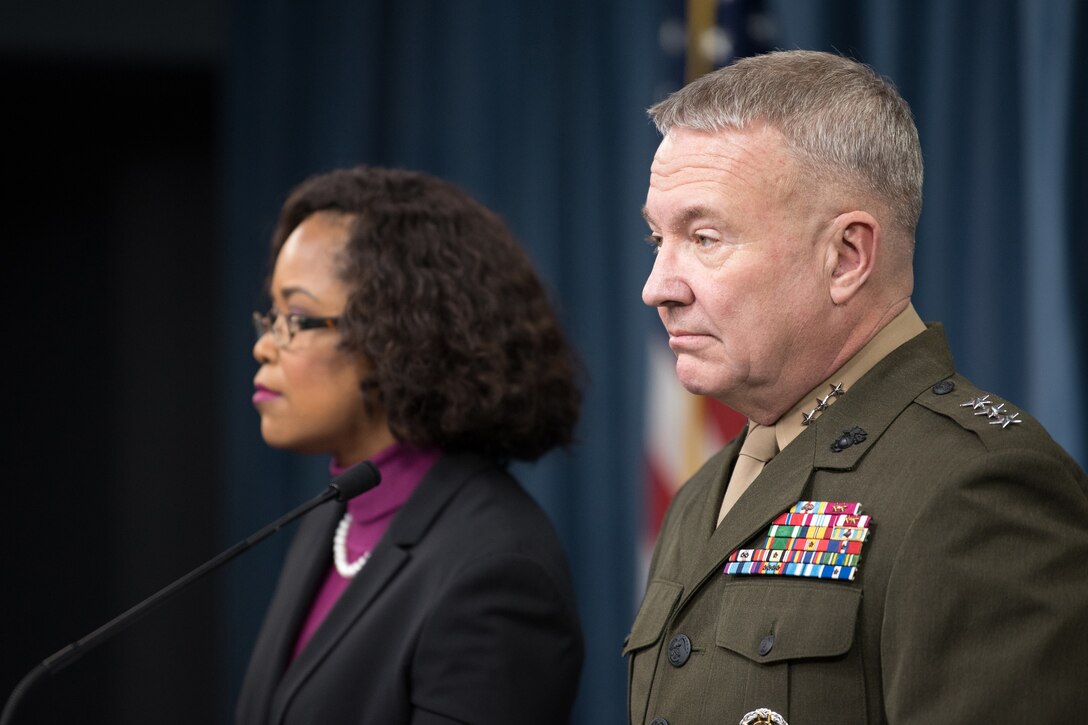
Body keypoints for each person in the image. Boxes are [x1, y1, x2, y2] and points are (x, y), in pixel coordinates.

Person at [628, 50, 1088, 725]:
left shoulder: (978, 486)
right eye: (655, 239)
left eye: (704, 236)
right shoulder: (706, 491)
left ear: (846, 257)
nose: (658, 287)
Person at [236, 165, 584, 725]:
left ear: (397, 332)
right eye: (271, 316)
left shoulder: (496, 569)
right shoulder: (335, 520)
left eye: (296, 317)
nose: (264, 347)